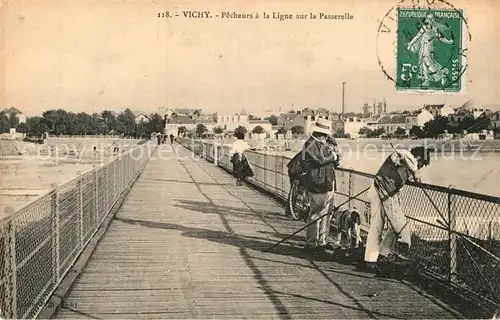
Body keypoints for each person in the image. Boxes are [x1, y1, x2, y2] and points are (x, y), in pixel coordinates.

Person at [360, 146, 431, 272]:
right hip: (378, 191)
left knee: (396, 224)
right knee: (377, 225)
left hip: (387, 194)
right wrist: (415, 171)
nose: (421, 167)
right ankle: (370, 261)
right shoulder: (402, 156)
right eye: (422, 164)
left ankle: (382, 253)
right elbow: (404, 154)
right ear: (418, 158)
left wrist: (414, 175)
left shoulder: (405, 166)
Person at [301, 118, 341, 254]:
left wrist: (336, 156)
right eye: (325, 135)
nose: (327, 137)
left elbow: (333, 163)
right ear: (321, 134)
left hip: (327, 183)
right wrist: (333, 156)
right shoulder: (310, 144)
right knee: (316, 214)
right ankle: (311, 244)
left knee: (326, 214)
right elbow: (320, 160)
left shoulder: (322, 144)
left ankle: (321, 241)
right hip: (317, 184)